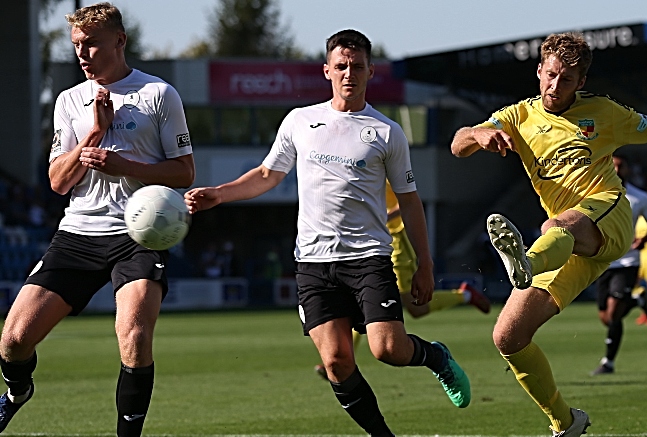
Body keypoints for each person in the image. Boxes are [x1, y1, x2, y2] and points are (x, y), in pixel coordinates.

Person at [186, 29, 470, 436]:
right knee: (337, 362)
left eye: (357, 66)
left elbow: (409, 201)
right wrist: (219, 194)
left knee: (388, 350)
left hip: (369, 258)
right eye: (341, 66)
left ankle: (436, 357)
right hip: (314, 265)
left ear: (371, 71)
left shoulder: (387, 132)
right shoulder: (300, 120)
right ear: (327, 71)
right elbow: (268, 174)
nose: (348, 74)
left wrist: (425, 264)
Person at [450, 32, 647, 437]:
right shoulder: (518, 116)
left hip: (608, 217)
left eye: (565, 79)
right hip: (564, 248)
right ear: (538, 70)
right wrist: (479, 135)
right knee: (508, 337)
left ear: (580, 82)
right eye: (549, 75)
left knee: (555, 225)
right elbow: (457, 143)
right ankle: (565, 423)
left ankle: (524, 262)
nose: (554, 86)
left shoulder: (603, 112)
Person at [0, 3, 195, 436]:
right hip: (79, 234)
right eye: (76, 46)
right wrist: (91, 135)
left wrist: (123, 164)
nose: (82, 54)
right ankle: (16, 393)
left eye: (91, 44)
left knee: (134, 337)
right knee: (13, 342)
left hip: (139, 234)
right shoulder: (70, 100)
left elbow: (184, 171)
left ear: (120, 41)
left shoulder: (158, 95)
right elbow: (57, 182)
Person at [315, 181, 491, 380]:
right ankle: (341, 357)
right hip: (373, 241)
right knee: (368, 303)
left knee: (416, 307)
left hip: (396, 242)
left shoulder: (380, 161)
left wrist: (381, 218)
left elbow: (407, 201)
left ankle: (465, 295)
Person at [591, 155, 647, 375]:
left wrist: (642, 240)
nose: (617, 169)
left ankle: (608, 363)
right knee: (605, 317)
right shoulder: (595, 195)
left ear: (628, 169)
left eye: (621, 165)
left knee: (613, 315)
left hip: (628, 262)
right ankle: (638, 299)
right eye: (613, 165)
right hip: (602, 261)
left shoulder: (639, 198)